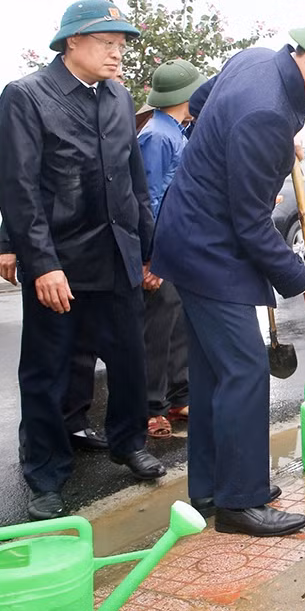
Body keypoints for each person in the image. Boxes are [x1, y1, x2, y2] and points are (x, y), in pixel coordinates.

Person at [151, 15, 305, 537]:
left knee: (213, 373)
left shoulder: (254, 60)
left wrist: (253, 153)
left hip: (193, 234)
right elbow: (252, 225)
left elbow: (205, 104)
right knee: (245, 370)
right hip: (211, 249)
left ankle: (211, 486)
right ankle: (241, 502)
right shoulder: (267, 112)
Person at [0, 0, 166, 521]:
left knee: (129, 360)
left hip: (117, 256)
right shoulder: (27, 96)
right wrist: (41, 263)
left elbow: (134, 182)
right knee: (49, 370)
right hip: (61, 263)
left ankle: (127, 441)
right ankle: (45, 472)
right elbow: (19, 188)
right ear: (73, 42)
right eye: (107, 44)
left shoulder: (117, 96)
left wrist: (150, 251)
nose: (118, 56)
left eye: (121, 46)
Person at [137, 60, 205, 438]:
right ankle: (150, 405)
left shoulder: (179, 132)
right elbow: (146, 201)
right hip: (160, 250)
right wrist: (151, 257)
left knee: (178, 323)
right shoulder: (157, 137)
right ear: (184, 96)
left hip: (178, 248)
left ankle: (179, 395)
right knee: (156, 329)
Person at [0, 227, 107, 452]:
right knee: (44, 355)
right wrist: (8, 246)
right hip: (43, 256)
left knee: (84, 347)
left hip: (85, 253)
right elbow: (20, 200)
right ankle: (36, 438)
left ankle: (75, 423)